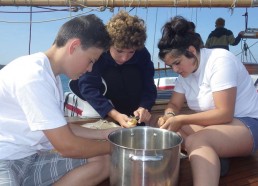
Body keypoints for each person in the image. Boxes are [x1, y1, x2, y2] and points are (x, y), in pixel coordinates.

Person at [0, 14, 120, 186]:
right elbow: (67, 146)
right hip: (4, 161)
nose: (90, 68)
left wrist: (105, 134)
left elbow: (60, 128)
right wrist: (119, 148)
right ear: (74, 46)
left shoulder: (51, 76)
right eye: (90, 60)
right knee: (107, 153)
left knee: (103, 161)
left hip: (32, 159)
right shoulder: (33, 75)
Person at [157, 16, 258, 186]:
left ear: (191, 50)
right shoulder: (185, 73)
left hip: (247, 125)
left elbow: (224, 113)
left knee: (195, 141)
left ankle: (212, 156)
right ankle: (216, 157)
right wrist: (170, 115)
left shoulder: (219, 60)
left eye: (177, 63)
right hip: (216, 127)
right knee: (164, 130)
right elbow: (174, 104)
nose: (175, 69)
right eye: (171, 66)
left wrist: (180, 119)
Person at [70, 10, 157, 128]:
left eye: (131, 52)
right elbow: (88, 87)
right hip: (108, 111)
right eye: (119, 51)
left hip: (136, 114)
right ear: (109, 44)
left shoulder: (142, 54)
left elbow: (149, 87)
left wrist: (144, 107)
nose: (124, 58)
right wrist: (114, 114)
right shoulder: (98, 55)